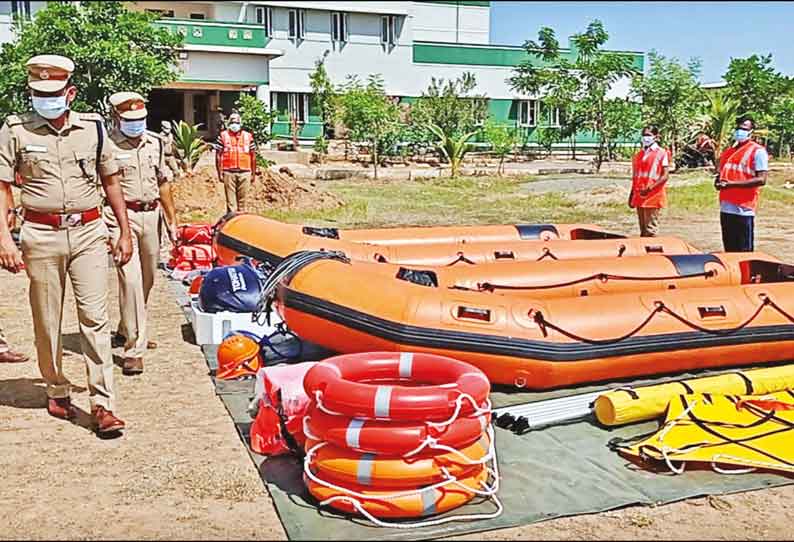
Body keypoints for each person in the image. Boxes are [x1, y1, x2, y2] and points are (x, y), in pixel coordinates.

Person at [0, 55, 133, 433]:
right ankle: (56, 388)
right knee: (47, 320)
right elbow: (2, 187)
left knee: (95, 318)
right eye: (39, 93)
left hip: (89, 232)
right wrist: (4, 240)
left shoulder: (93, 128)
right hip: (40, 235)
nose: (47, 99)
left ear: (69, 92)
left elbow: (110, 182)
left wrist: (122, 231)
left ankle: (102, 403)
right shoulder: (15, 130)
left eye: (55, 92)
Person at [105, 92, 178, 375]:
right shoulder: (106, 146)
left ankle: (126, 327)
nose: (136, 124)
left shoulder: (155, 143)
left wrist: (171, 220)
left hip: (151, 216)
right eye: (129, 120)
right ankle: (134, 349)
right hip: (121, 219)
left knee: (147, 278)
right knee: (131, 279)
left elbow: (163, 183)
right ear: (117, 118)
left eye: (140, 119)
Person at [715, 117, 768, 252]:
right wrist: (718, 182)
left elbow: (761, 179)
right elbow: (721, 173)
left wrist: (731, 184)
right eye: (738, 128)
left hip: (743, 207)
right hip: (726, 205)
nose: (740, 132)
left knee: (744, 250)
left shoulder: (758, 151)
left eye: (744, 129)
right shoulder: (728, 152)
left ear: (751, 132)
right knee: (730, 248)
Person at [628, 126, 670, 237]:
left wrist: (650, 188)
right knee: (643, 230)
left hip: (653, 196)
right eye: (644, 135)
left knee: (650, 229)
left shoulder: (661, 153)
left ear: (656, 137)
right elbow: (636, 177)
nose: (645, 138)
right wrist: (631, 195)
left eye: (648, 135)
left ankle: (652, 252)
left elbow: (665, 176)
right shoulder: (639, 155)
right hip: (639, 195)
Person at [215, 112, 257, 213]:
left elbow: (253, 156)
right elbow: (218, 155)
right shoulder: (223, 136)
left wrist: (253, 173)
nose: (235, 124)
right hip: (229, 172)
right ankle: (231, 224)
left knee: (243, 203)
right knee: (231, 204)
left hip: (245, 172)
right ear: (229, 123)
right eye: (233, 121)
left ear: (240, 123)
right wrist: (219, 173)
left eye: (237, 122)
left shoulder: (248, 136)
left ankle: (241, 225)